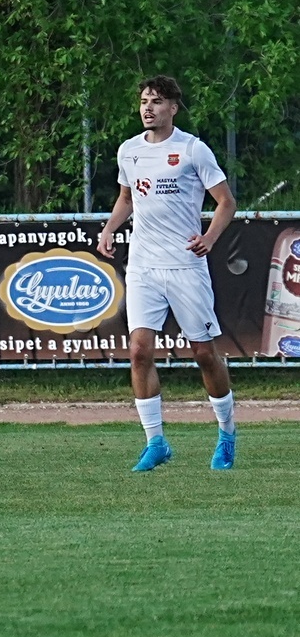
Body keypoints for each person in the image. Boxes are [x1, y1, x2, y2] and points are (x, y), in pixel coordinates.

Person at [98, 75, 238, 472]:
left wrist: (209, 238)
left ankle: (227, 433)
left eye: (157, 101)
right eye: (144, 101)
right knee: (139, 351)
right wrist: (109, 229)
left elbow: (226, 202)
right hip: (143, 265)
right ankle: (155, 442)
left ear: (173, 108)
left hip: (185, 265)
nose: (148, 108)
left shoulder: (192, 149)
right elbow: (126, 198)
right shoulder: (129, 150)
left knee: (204, 354)